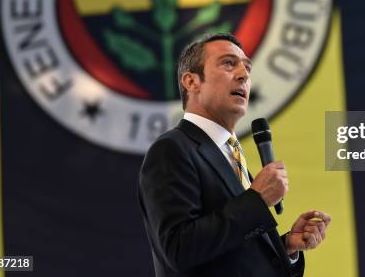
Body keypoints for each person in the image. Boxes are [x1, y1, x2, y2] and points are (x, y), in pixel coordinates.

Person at [138, 33, 331, 277]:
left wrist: (287, 249)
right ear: (191, 82)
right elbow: (179, 249)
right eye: (229, 63)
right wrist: (257, 201)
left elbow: (230, 257)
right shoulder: (171, 150)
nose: (243, 74)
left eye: (247, 67)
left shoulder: (229, 154)